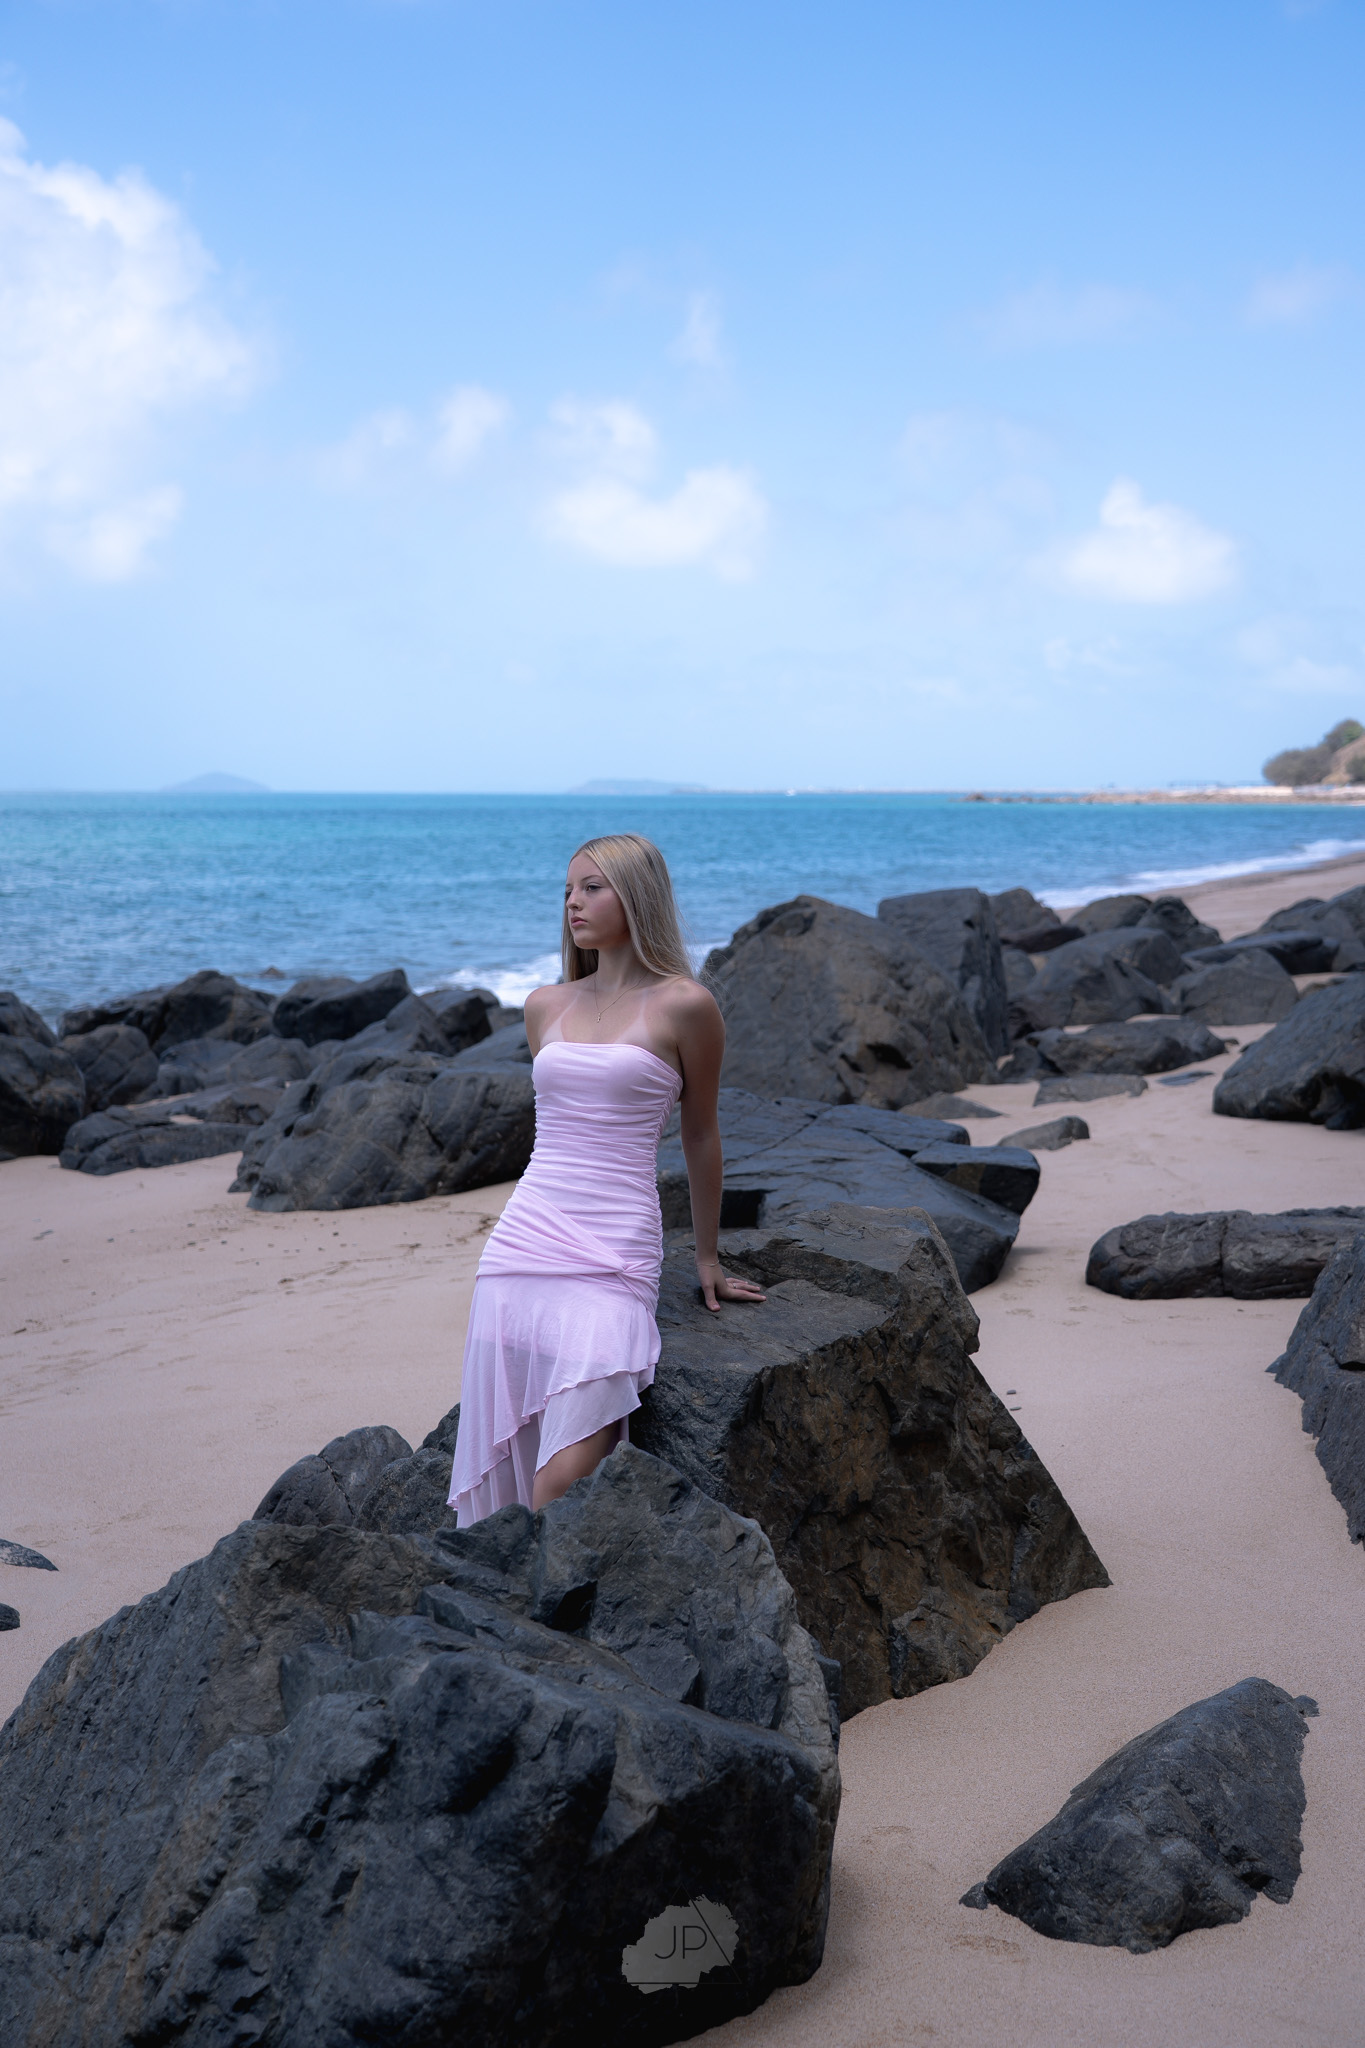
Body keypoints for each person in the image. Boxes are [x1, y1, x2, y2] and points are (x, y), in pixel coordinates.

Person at [448, 831, 765, 1525]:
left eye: (592, 887)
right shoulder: (545, 1004)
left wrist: (706, 1258)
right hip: (524, 1242)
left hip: (615, 1248)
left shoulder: (686, 1005)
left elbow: (701, 1134)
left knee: (562, 1478)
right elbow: (558, 1124)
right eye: (568, 889)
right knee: (512, 1454)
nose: (573, 902)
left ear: (638, 896)